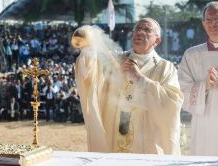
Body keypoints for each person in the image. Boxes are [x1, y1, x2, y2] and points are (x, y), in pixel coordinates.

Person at [72, 18, 183, 155]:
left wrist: (140, 79)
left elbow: (173, 102)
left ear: (157, 40)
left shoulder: (165, 67)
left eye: (147, 30)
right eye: (137, 29)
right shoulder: (116, 60)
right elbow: (89, 70)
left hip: (147, 136)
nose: (140, 32)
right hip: (115, 129)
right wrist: (88, 44)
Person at [178, 1, 218, 156]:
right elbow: (181, 89)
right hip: (204, 125)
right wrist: (205, 86)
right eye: (209, 20)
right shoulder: (191, 54)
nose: (213, 24)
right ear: (203, 23)